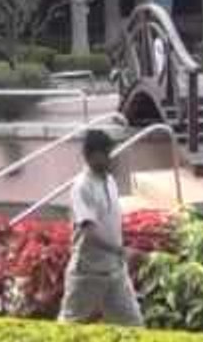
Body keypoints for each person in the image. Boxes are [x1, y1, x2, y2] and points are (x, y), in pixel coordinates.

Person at [58, 130, 143, 327]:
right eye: (104, 153)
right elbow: (89, 231)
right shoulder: (81, 187)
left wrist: (122, 249)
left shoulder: (110, 181)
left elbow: (111, 222)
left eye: (109, 152)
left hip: (115, 271)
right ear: (90, 155)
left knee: (133, 325)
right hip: (87, 272)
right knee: (69, 325)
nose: (109, 158)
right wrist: (120, 249)